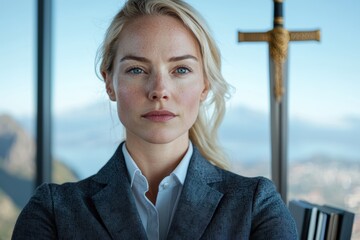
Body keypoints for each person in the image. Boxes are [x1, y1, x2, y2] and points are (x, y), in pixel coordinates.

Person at [12, 0, 297, 239]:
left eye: (181, 70)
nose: (159, 90)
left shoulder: (256, 204)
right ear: (109, 83)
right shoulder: (51, 211)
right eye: (137, 70)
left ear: (205, 85)